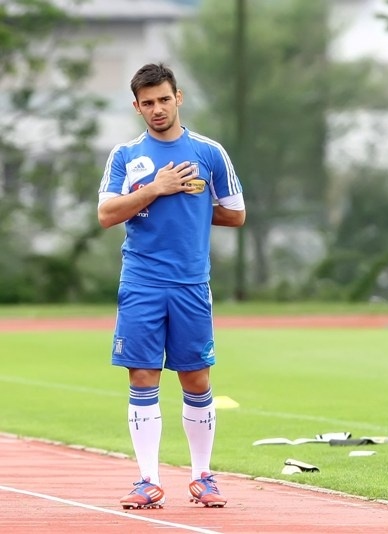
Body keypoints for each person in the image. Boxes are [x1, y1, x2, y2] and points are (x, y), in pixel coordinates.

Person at [97, 63, 246, 509]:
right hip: (141, 281)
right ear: (137, 107)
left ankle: (203, 477)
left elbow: (236, 213)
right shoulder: (125, 155)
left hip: (191, 282)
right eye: (148, 103)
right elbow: (106, 214)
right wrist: (155, 189)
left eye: (164, 99)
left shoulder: (209, 152)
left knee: (196, 377)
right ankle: (148, 479)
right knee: (142, 374)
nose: (157, 109)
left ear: (178, 98)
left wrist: (192, 200)